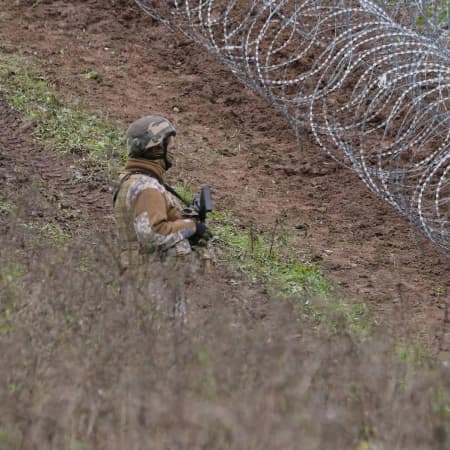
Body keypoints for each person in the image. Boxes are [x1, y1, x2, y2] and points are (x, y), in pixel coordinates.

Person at [113, 115, 212, 269]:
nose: (173, 153)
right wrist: (192, 227)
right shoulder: (147, 187)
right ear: (157, 148)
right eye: (171, 148)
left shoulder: (134, 181)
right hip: (153, 282)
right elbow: (153, 234)